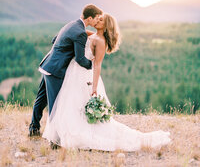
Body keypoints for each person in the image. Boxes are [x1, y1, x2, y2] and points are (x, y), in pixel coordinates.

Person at [43, 13, 171, 151]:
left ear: (106, 25)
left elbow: (97, 65)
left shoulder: (101, 41)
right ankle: (61, 137)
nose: (98, 19)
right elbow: (76, 30)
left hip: (84, 75)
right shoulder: (91, 34)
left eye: (101, 19)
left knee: (77, 105)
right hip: (72, 73)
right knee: (68, 105)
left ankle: (74, 137)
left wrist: (94, 87)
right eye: (98, 17)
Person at [29, 4, 103, 137]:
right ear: (90, 18)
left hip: (48, 65)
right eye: (96, 18)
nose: (97, 21)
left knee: (41, 100)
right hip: (56, 70)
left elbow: (54, 40)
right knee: (56, 104)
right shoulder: (80, 32)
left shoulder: (72, 24)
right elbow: (80, 59)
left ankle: (33, 129)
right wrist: (92, 65)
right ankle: (54, 138)